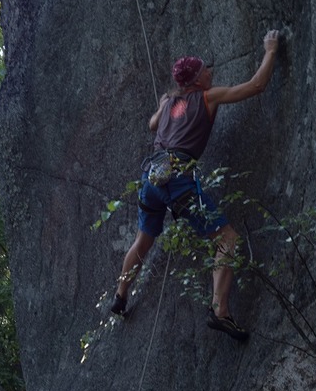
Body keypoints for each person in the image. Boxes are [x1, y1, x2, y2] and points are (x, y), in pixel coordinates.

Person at [109, 30, 281, 341]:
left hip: (151, 177)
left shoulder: (171, 103)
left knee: (143, 241)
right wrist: (270, 50)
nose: (210, 72)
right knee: (227, 238)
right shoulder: (207, 97)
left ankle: (120, 295)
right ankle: (220, 311)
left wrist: (163, 104)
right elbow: (256, 85)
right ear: (197, 79)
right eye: (206, 69)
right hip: (177, 178)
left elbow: (152, 124)